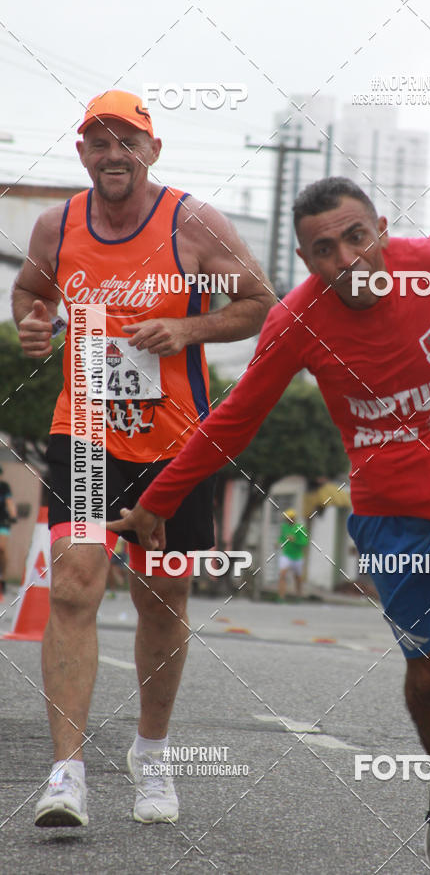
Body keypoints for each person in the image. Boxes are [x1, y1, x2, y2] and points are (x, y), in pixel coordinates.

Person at [108, 176, 430, 874]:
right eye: (324, 250)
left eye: (356, 237)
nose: (346, 259)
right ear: (307, 263)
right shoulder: (296, 322)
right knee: (428, 674)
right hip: (388, 516)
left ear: (382, 231)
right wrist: (158, 500)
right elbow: (234, 419)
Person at [12, 89, 274, 829]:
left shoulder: (192, 222)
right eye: (98, 142)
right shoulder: (55, 225)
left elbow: (259, 303)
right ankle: (67, 775)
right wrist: (34, 327)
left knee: (163, 601)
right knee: (73, 584)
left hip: (176, 444)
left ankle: (151, 755)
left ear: (151, 149)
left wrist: (188, 329)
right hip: (87, 432)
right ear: (82, 154)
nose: (112, 154)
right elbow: (31, 294)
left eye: (126, 140)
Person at [277, 508, 309, 599]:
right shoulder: (284, 527)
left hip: (297, 557)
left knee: (297, 578)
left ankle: (298, 595)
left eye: (289, 518)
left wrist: (295, 541)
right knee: (282, 574)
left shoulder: (300, 528)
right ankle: (281, 597)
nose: (287, 520)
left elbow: (304, 542)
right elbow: (282, 538)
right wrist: (278, 542)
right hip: (286, 555)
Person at [0, 467, 18, 597]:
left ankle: (2, 578)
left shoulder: (4, 487)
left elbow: (9, 502)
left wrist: (13, 515)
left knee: (1, 549)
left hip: (2, 521)